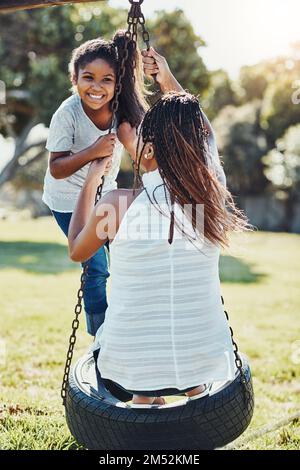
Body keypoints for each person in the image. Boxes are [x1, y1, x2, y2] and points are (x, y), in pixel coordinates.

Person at [67, 50, 249, 406]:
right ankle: (191, 391)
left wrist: (91, 181)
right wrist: (167, 79)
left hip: (126, 363)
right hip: (205, 359)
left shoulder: (118, 205)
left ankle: (144, 397)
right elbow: (205, 135)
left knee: (139, 359)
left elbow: (76, 250)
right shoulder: (210, 198)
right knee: (184, 351)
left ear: (146, 152)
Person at [42, 30, 148, 336]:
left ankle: (129, 325)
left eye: (107, 80)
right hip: (67, 201)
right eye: (88, 77)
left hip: (106, 196)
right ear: (74, 79)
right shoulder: (68, 114)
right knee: (96, 266)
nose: (97, 87)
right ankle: (99, 334)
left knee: (128, 254)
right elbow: (57, 168)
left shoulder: (121, 109)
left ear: (117, 83)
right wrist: (92, 152)